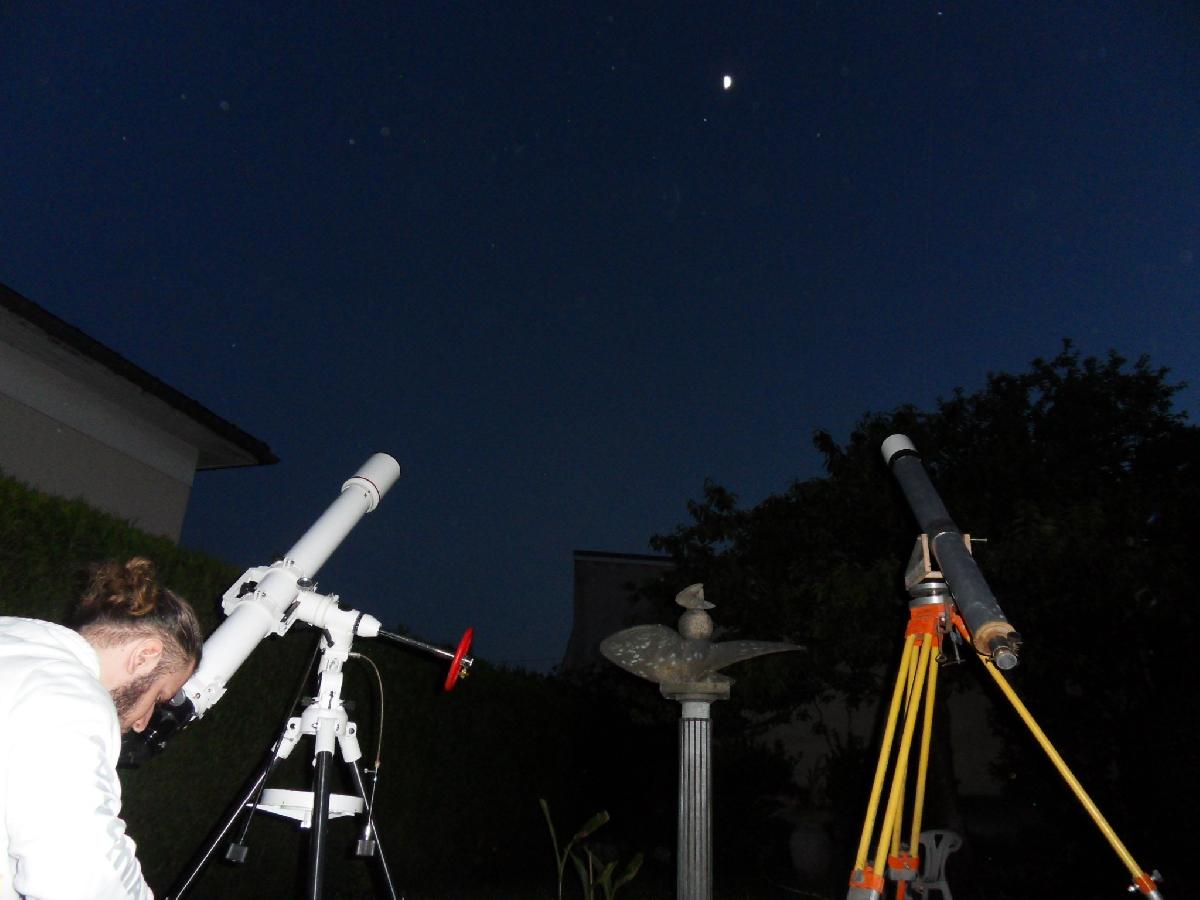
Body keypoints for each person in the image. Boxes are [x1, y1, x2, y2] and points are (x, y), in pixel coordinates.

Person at [0, 557, 204, 900]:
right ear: (145, 656)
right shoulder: (70, 696)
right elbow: (75, 869)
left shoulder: (16, 642)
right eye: (158, 696)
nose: (142, 722)